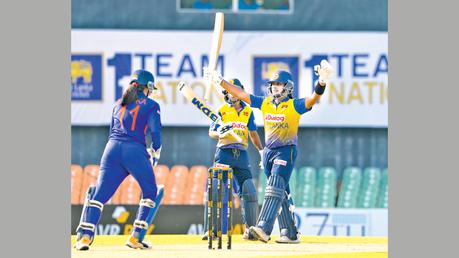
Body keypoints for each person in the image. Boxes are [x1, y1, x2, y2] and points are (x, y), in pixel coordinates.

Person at [203, 60, 335, 243]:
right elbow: (241, 93)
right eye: (272, 85)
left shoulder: (294, 106)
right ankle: (290, 233)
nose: (274, 88)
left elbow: (313, 98)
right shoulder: (265, 104)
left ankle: (263, 228)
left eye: (278, 84)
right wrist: (220, 81)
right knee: (282, 192)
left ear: (288, 87)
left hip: (285, 151)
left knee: (274, 186)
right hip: (268, 153)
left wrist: (321, 82)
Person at [74, 69, 163, 250]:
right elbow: (155, 132)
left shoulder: (118, 103)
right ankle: (135, 237)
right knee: (150, 192)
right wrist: (155, 151)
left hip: (111, 149)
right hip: (134, 151)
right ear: (148, 87)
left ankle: (85, 237)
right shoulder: (152, 105)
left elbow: (112, 133)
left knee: (99, 195)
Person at [202, 78, 264, 241]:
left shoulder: (248, 112)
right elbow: (212, 132)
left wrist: (262, 151)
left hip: (241, 154)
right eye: (230, 91)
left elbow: (253, 133)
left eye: (236, 91)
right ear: (225, 93)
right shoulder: (221, 110)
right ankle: (213, 230)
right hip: (224, 152)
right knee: (217, 189)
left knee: (249, 190)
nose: (233, 94)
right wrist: (220, 133)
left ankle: (250, 230)